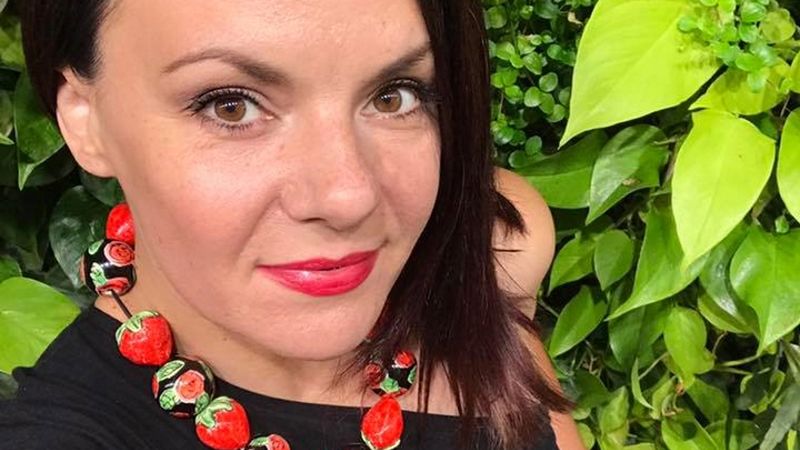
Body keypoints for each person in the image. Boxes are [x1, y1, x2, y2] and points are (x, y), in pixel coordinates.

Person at [0, 1, 584, 449]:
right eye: (231, 105)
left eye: (394, 96)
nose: (349, 197)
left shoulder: (492, 246)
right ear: (86, 120)